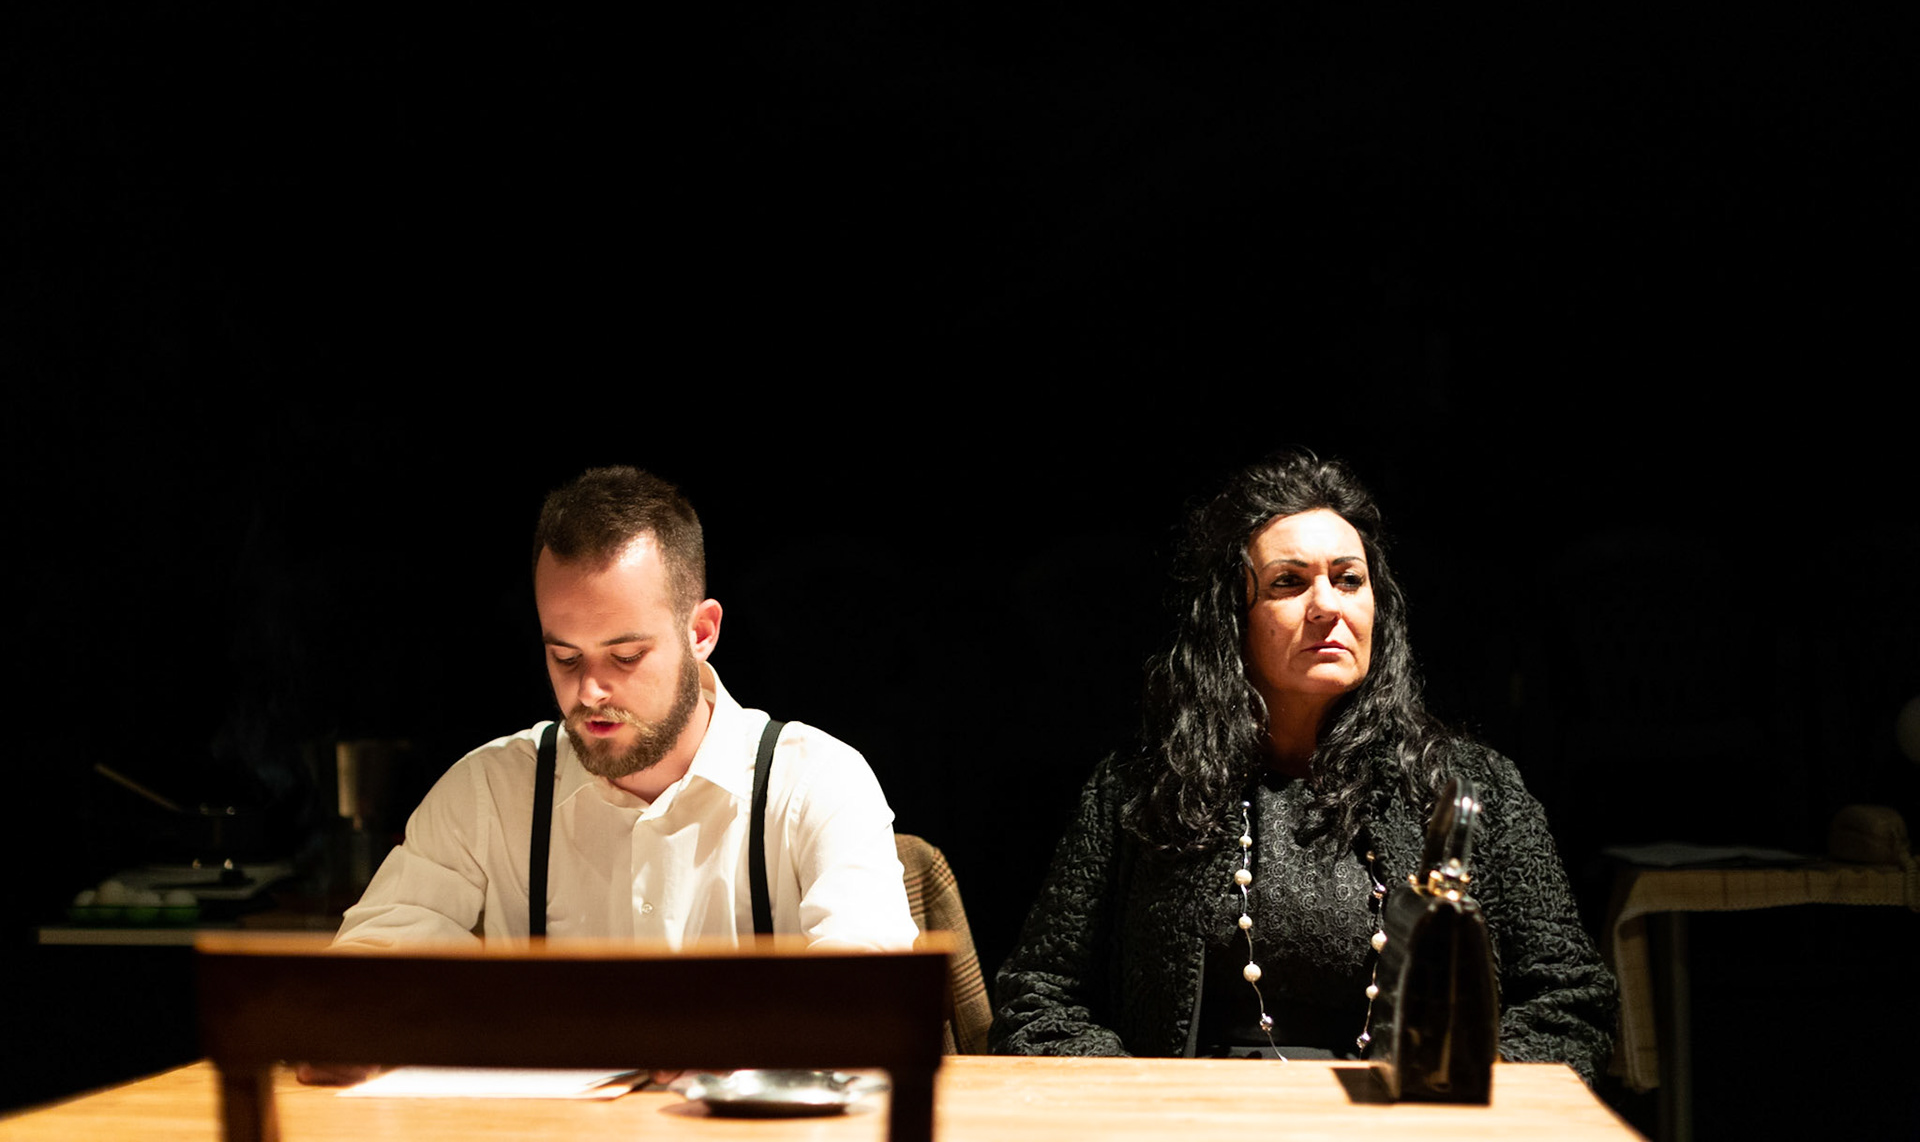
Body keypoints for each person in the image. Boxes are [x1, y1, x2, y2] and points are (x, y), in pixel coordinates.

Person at [991, 450, 1616, 1083]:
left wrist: (1446, 1094)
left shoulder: (1468, 789)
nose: (1328, 606)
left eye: (1349, 580)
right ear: (1231, 618)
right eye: (1289, 583)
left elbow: (1571, 1002)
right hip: (1195, 1118)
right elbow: (1037, 1001)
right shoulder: (1140, 790)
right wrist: (1147, 1102)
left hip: (1402, 1119)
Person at [332, 465, 918, 952]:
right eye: (565, 658)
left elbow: (872, 1002)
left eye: (626, 656)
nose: (590, 691)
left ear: (701, 632)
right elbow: (358, 979)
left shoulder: (815, 785)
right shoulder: (490, 793)